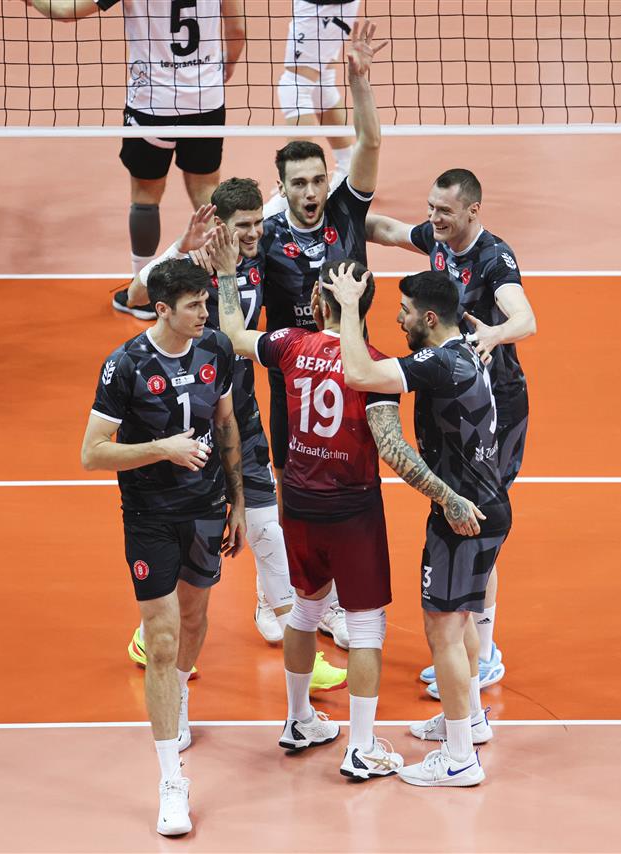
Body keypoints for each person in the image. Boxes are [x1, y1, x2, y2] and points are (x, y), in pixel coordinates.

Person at [123, 182, 346, 691]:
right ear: (220, 226)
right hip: (188, 419)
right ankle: (146, 634)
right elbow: (135, 295)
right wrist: (182, 246)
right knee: (189, 548)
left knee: (267, 527)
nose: (253, 233)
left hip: (239, 410)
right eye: (242, 225)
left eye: (258, 223)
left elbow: (291, 205)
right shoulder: (195, 265)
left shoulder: (260, 251)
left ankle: (293, 642)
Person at [81, 258, 247, 835]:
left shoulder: (216, 349)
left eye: (206, 302)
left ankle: (176, 696)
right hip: (149, 514)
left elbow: (226, 424)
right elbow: (92, 453)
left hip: (205, 508)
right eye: (194, 305)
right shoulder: (125, 365)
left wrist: (239, 502)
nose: (205, 313)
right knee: (162, 636)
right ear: (162, 310)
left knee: (195, 618)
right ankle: (171, 782)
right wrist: (163, 449)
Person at [327, 265, 506, 786]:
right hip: (489, 505)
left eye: (404, 312)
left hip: (462, 515)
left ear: (429, 318)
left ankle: (459, 759)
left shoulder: (440, 363)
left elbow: (359, 374)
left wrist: (348, 308)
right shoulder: (465, 349)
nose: (398, 319)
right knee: (463, 620)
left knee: (442, 630)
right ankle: (468, 722)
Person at [365, 168, 536, 696]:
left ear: (472, 212)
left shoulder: (494, 257)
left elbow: (525, 318)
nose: (433, 218)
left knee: (480, 515)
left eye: (444, 210)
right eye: (431, 207)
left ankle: (483, 654)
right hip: (452, 397)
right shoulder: (438, 240)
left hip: (495, 402)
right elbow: (387, 230)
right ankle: (468, 646)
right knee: (461, 511)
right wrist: (334, 211)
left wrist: (495, 335)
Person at [259, 19, 385, 645]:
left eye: (317, 179)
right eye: (299, 183)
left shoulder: (346, 210)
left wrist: (356, 81)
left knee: (353, 487)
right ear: (282, 187)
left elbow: (370, 140)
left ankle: (330, 599)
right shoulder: (265, 237)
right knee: (293, 488)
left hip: (354, 372)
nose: (311, 192)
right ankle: (288, 594)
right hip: (294, 386)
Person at [20, 0, 245, 321]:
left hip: (152, 104)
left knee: (145, 197)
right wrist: (228, 62)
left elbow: (66, 11)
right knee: (207, 193)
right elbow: (237, 30)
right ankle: (227, 290)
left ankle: (142, 295)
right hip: (206, 98)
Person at [260, 0, 360, 218]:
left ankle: (296, 184)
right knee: (320, 82)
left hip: (322, 5)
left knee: (296, 85)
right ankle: (349, 169)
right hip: (330, 7)